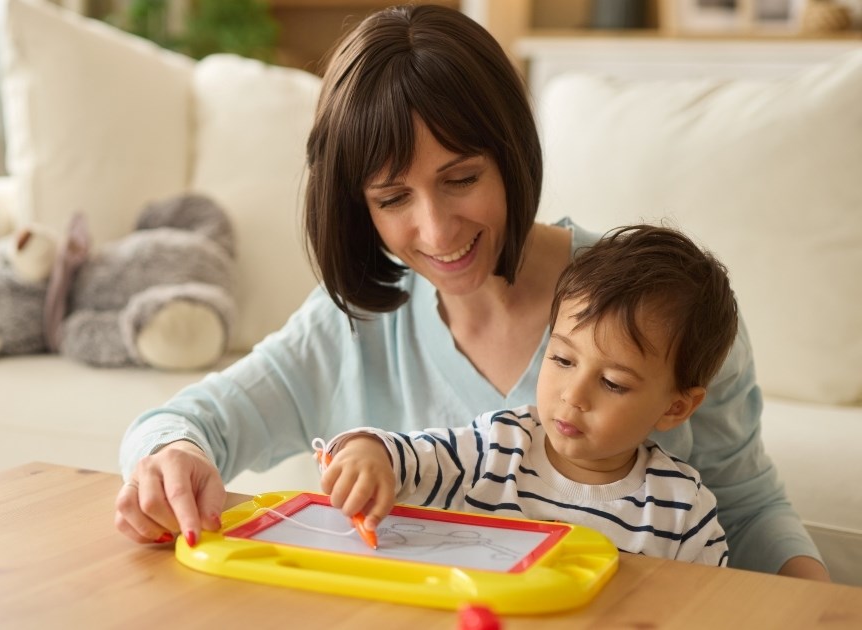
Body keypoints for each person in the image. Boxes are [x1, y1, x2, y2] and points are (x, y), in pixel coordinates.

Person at [114, 4, 828, 580]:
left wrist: (817, 608)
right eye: (393, 197)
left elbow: (743, 507)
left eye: (461, 179)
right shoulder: (355, 325)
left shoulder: (660, 309)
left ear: (511, 155)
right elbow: (185, 423)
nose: (435, 228)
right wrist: (171, 460)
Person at [319, 225, 733, 566]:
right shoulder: (496, 448)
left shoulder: (682, 508)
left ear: (676, 407)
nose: (574, 395)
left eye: (612, 383)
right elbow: (409, 458)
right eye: (563, 360)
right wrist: (366, 452)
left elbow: (706, 607)